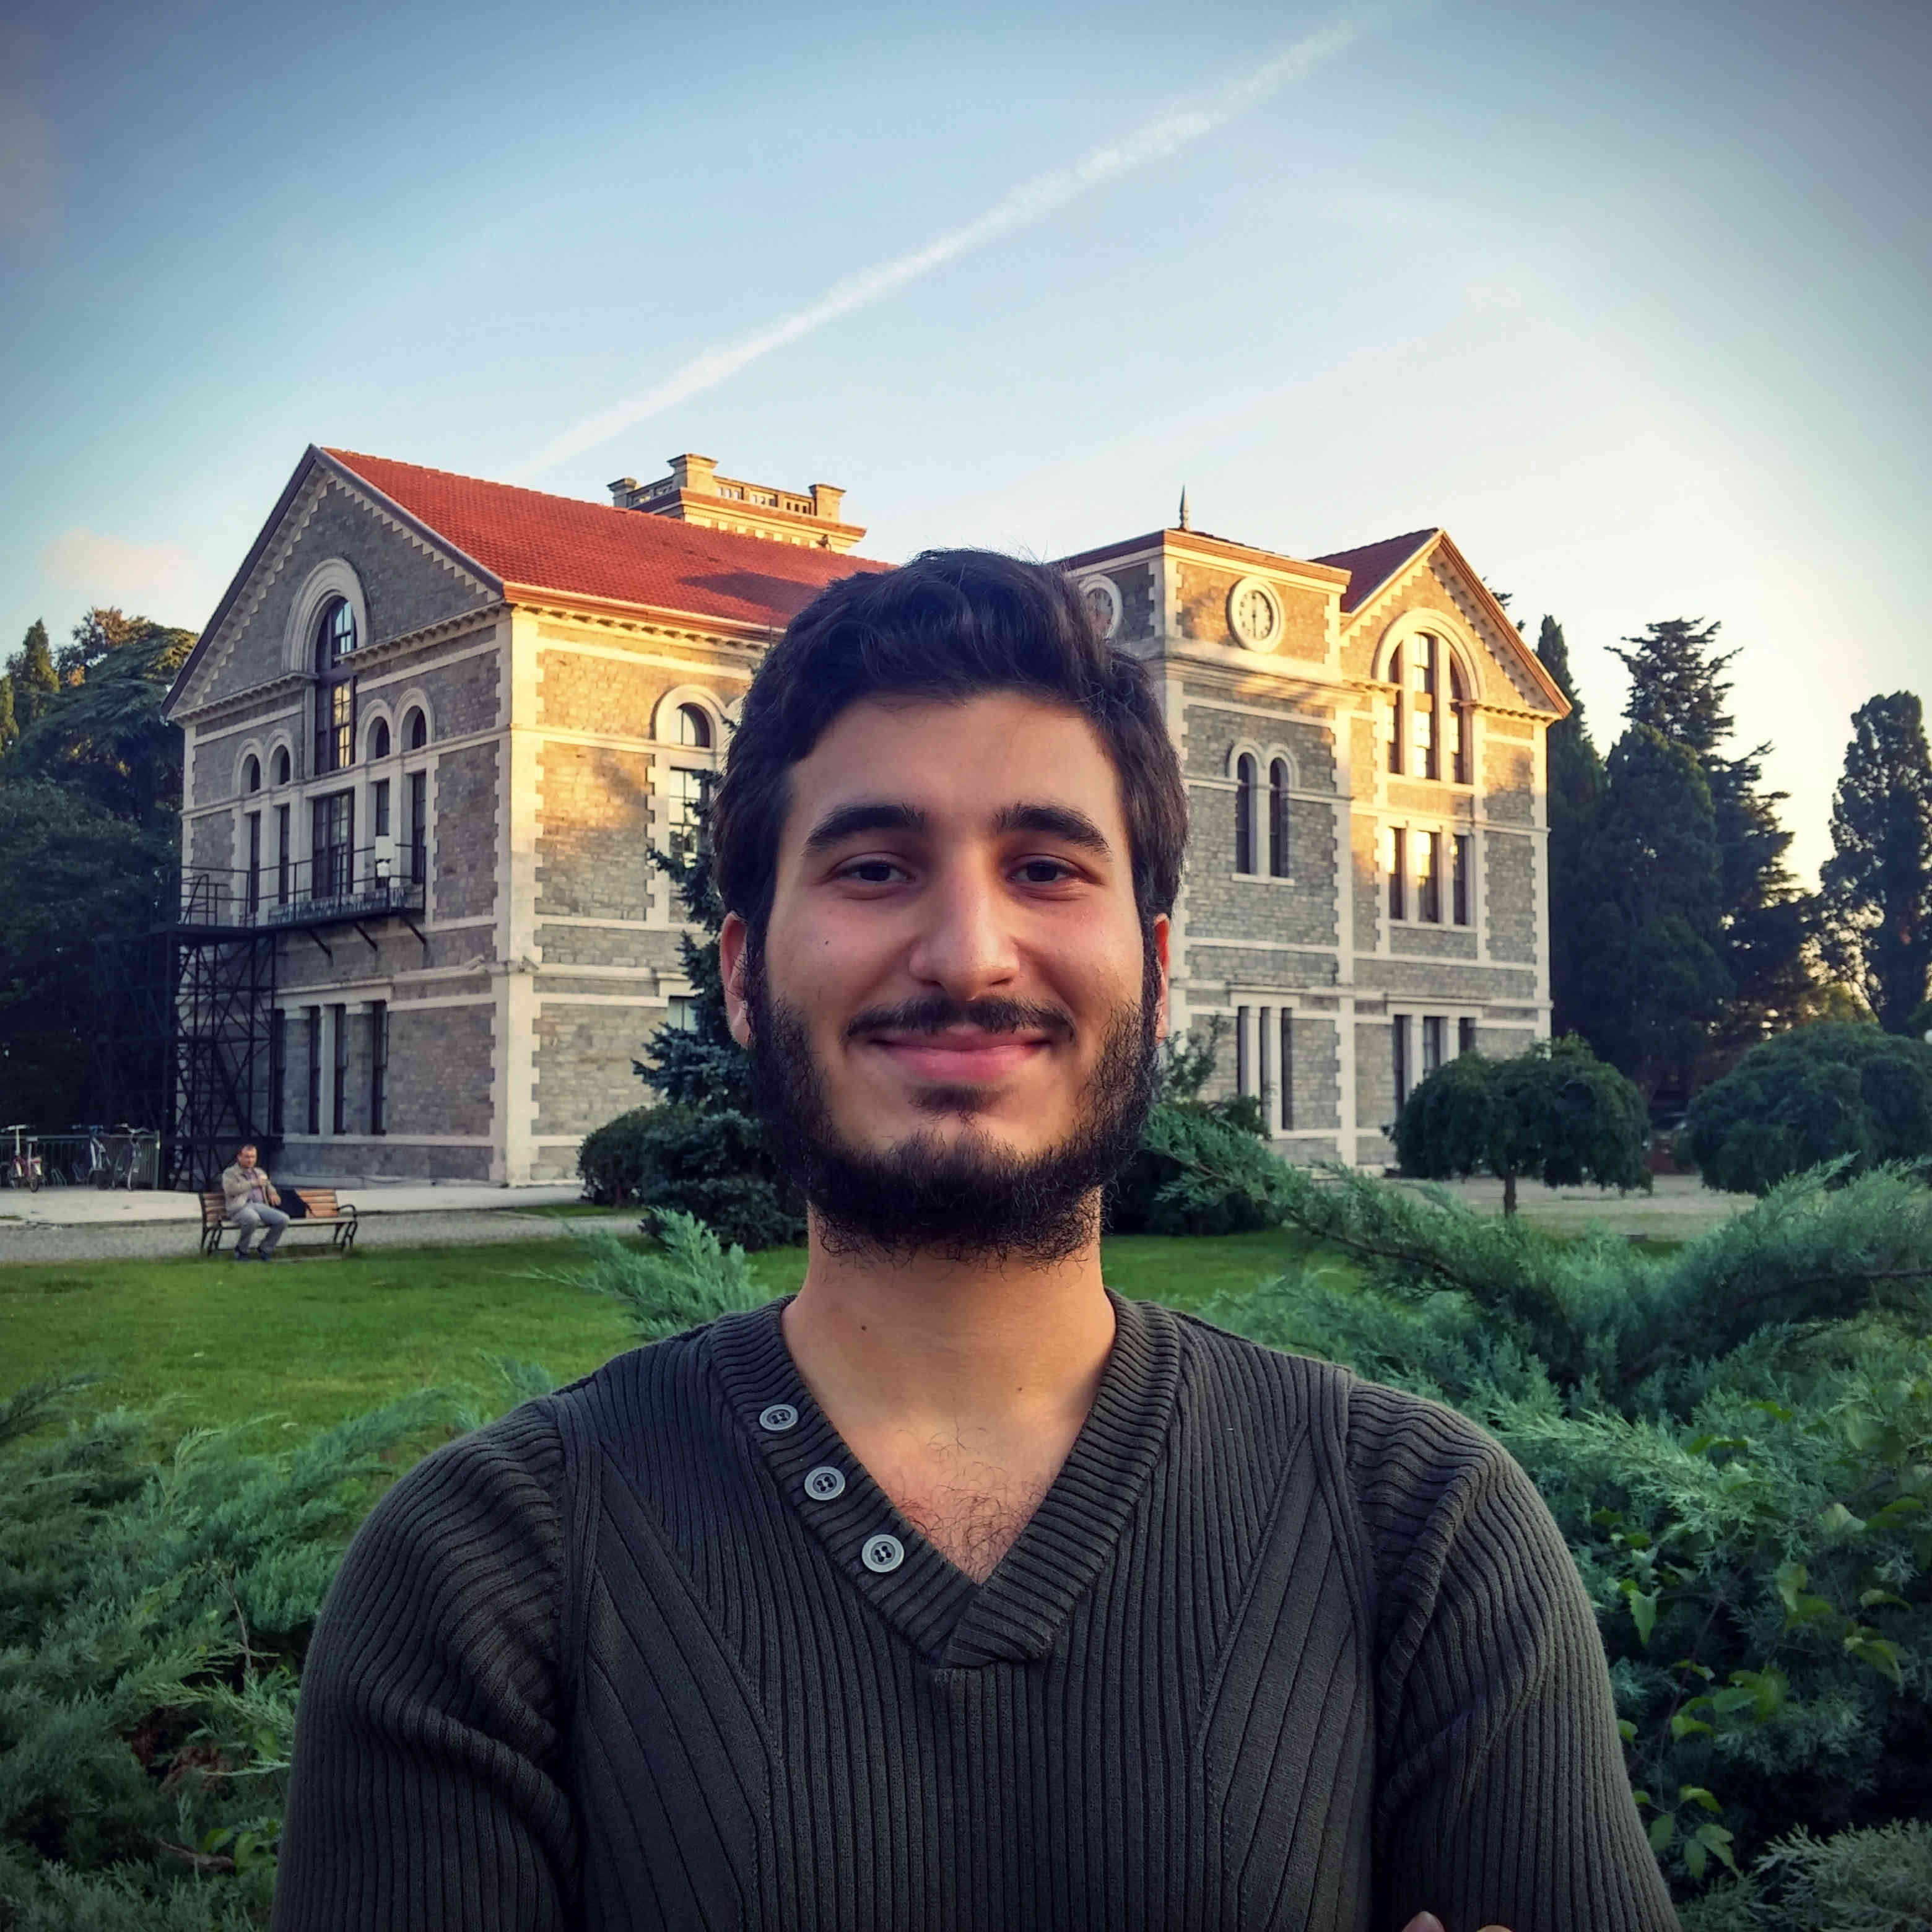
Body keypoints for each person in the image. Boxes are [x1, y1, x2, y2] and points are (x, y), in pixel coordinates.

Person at [273, 552, 1679, 1930]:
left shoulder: (1423, 1533)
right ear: (743, 976)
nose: (968, 952)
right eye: (875, 866)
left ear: (1159, 972)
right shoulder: (484, 1571)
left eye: (1047, 867)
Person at [222, 1142, 288, 1261]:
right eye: (247, 1157)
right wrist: (253, 1184)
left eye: (253, 1157)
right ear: (239, 1157)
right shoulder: (230, 1173)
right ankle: (242, 1250)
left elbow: (268, 1185)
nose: (250, 1160)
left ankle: (265, 1249)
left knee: (283, 1220)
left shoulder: (259, 1172)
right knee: (252, 1219)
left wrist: (273, 1192)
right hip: (240, 1208)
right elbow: (231, 1190)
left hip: (260, 1206)